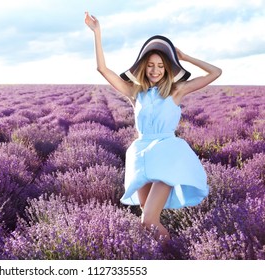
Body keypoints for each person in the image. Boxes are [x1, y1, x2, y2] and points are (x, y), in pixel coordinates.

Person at [84, 12, 222, 243]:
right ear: (143, 67)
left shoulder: (176, 91)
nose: (155, 70)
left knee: (148, 220)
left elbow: (216, 72)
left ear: (168, 68)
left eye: (160, 65)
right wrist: (97, 33)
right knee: (146, 223)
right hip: (141, 155)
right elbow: (103, 69)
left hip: (167, 154)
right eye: (150, 65)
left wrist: (186, 57)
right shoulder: (135, 93)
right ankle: (162, 256)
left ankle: (172, 256)